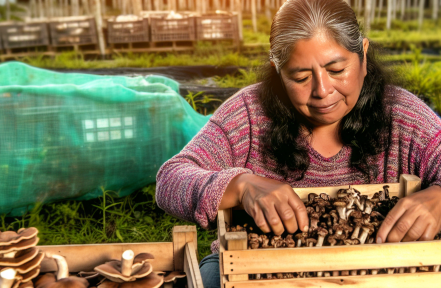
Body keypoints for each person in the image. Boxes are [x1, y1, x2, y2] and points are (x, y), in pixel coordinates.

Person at [155, 0, 441, 286]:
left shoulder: (404, 116)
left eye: (338, 70)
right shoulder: (248, 116)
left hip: (383, 271)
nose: (322, 90)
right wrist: (241, 186)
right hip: (253, 270)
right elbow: (171, 180)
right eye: (301, 77)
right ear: (278, 71)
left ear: (363, 56)